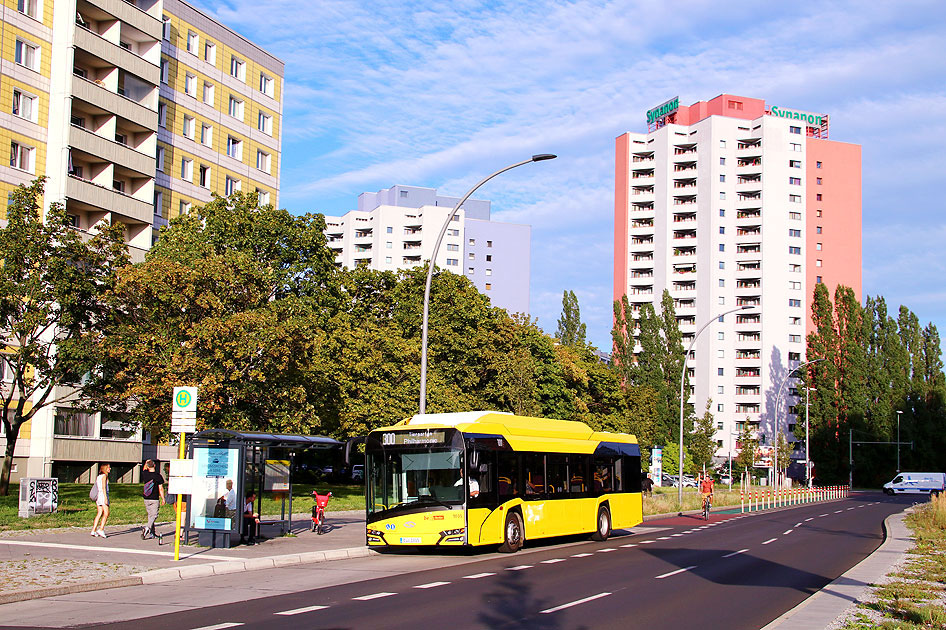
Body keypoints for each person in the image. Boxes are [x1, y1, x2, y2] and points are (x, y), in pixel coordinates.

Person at [141, 459, 165, 540]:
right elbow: (161, 488)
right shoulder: (158, 476)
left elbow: (144, 469)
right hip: (154, 498)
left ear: (147, 466)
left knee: (150, 516)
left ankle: (152, 533)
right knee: (154, 515)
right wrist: (163, 498)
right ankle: (147, 528)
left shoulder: (145, 474)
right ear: (155, 465)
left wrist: (146, 463)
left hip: (146, 498)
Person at [91, 463, 110, 538]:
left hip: (98, 496)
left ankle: (93, 530)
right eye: (108, 467)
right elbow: (103, 487)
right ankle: (101, 529)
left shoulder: (98, 477)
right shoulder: (104, 476)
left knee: (99, 513)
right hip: (103, 496)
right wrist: (105, 498)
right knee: (106, 513)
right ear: (105, 468)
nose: (110, 469)